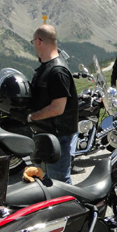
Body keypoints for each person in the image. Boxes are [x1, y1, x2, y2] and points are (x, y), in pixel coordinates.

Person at [27, 24, 79, 184]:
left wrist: (32, 117)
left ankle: (71, 209)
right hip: (46, 134)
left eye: (33, 41)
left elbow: (58, 108)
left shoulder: (57, 71)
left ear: (39, 41)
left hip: (58, 136)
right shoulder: (45, 68)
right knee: (42, 180)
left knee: (59, 182)